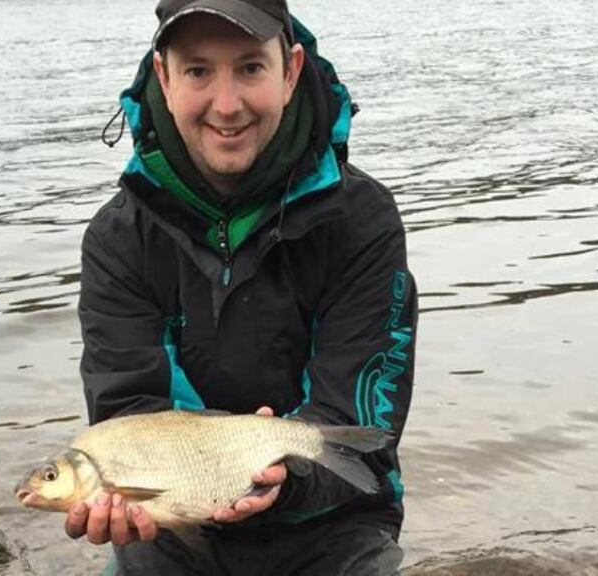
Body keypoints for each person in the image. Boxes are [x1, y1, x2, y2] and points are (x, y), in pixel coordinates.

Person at [71, 0, 417, 573]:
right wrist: (123, 505)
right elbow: (131, 411)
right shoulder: (117, 239)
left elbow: (361, 423)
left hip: (331, 521)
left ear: (291, 71)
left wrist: (285, 477)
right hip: (170, 527)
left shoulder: (363, 220)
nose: (226, 106)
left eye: (251, 68)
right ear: (163, 75)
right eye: (198, 71)